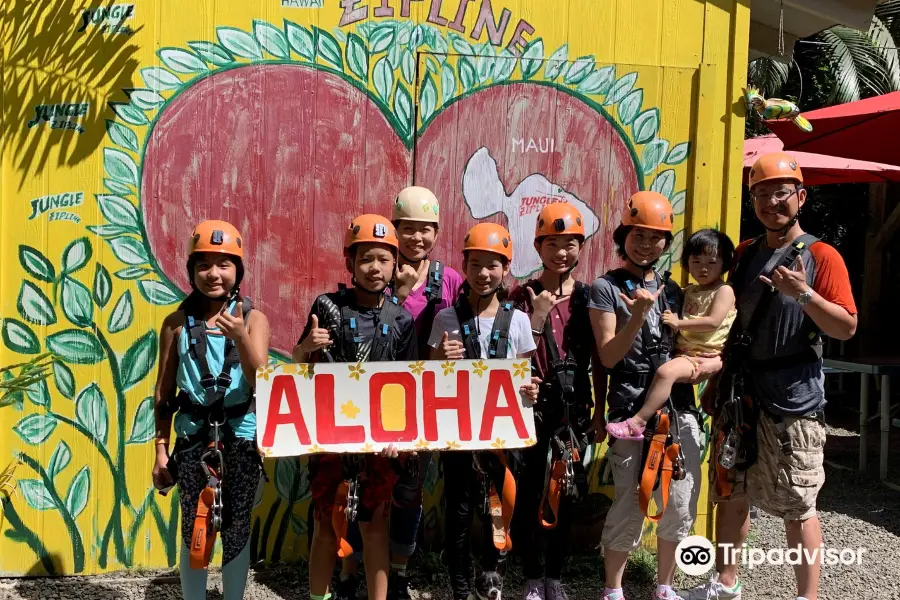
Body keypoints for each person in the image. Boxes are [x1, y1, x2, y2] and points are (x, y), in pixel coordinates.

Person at [682, 153, 857, 600]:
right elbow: (731, 324)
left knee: (798, 504)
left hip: (792, 400)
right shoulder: (743, 254)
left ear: (800, 197)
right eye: (760, 193)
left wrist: (803, 295)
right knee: (730, 490)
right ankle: (725, 584)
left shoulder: (822, 255)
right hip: (740, 393)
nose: (770, 202)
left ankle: (807, 596)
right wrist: (716, 384)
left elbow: (846, 327)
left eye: (780, 192)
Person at [336, 187, 464, 600]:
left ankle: (400, 571)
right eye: (407, 230)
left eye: (426, 230)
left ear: (436, 232)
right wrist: (405, 295)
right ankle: (349, 569)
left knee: (409, 490)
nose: (417, 239)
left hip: (424, 402)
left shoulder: (450, 280)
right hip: (369, 401)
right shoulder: (378, 270)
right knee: (360, 486)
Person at [589, 192, 717, 600]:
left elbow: (701, 341)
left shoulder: (675, 289)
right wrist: (639, 316)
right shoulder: (605, 288)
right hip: (630, 406)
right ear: (623, 235)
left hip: (679, 408)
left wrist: (710, 366)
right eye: (638, 235)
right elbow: (608, 356)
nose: (646, 244)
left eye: (656, 237)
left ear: (666, 243)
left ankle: (665, 585)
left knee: (680, 500)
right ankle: (613, 588)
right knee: (630, 498)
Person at [293, 214, 418, 600]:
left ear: (396, 264)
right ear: (349, 264)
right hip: (331, 440)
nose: (375, 268)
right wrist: (304, 349)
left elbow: (412, 387)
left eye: (384, 259)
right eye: (366, 258)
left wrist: (405, 438)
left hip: (380, 446)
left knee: (375, 527)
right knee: (325, 526)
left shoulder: (402, 319)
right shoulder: (326, 308)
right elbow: (297, 370)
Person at [152, 220, 271, 600]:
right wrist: (160, 452)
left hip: (240, 438)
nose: (214, 274)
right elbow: (163, 393)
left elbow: (260, 380)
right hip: (193, 440)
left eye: (224, 264)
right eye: (204, 265)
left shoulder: (254, 320)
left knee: (237, 526)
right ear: (192, 271)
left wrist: (240, 336)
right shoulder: (175, 324)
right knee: (194, 523)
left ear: (238, 270)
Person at [427, 222, 540, 600]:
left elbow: (526, 373)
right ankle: (459, 585)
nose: (483, 274)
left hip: (502, 431)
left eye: (493, 265)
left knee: (500, 505)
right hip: (458, 431)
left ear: (506, 269)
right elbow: (428, 374)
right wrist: (440, 358)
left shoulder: (518, 320)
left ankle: (492, 572)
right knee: (458, 511)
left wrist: (531, 390)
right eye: (475, 264)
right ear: (465, 266)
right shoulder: (446, 319)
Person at [509, 203, 605, 600]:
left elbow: (600, 357)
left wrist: (601, 409)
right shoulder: (521, 294)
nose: (561, 252)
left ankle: (555, 575)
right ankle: (531, 574)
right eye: (552, 243)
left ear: (580, 248)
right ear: (538, 246)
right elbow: (511, 354)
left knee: (567, 489)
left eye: (570, 245)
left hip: (574, 402)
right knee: (529, 488)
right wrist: (537, 315)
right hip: (533, 401)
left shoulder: (588, 297)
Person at [606, 229, 736, 440]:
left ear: (724, 263)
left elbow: (713, 322)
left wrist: (678, 322)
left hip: (700, 356)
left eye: (711, 263)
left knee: (666, 373)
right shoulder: (689, 290)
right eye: (696, 262)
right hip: (685, 353)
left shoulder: (724, 291)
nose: (703, 269)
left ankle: (637, 422)